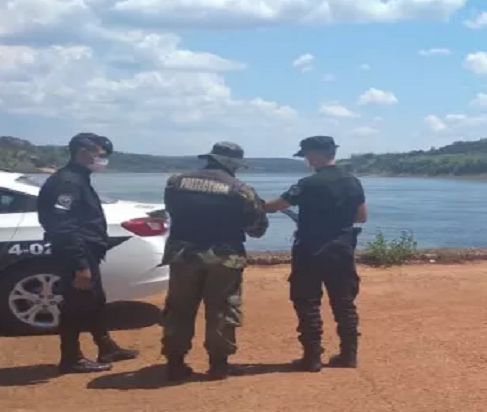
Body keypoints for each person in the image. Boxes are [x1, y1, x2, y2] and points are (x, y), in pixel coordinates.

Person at [159, 143, 269, 381]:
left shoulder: (176, 182)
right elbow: (257, 229)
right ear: (232, 164)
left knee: (179, 308)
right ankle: (219, 365)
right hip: (224, 258)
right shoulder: (240, 189)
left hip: (182, 255)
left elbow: (172, 211)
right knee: (222, 309)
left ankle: (175, 363)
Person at [36, 133, 139, 374]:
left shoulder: (79, 178)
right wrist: (80, 264)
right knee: (75, 305)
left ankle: (106, 346)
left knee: (94, 301)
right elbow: (63, 224)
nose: (103, 160)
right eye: (101, 155)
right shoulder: (68, 182)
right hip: (76, 253)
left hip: (86, 251)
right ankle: (71, 357)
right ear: (83, 153)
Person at [264, 137, 367, 371]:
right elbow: (361, 217)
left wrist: (253, 205)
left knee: (307, 301)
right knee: (344, 303)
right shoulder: (353, 182)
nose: (306, 160)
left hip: (310, 249)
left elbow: (275, 205)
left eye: (307, 156)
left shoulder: (308, 184)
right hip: (342, 249)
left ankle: (312, 358)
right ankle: (349, 355)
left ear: (316, 155)